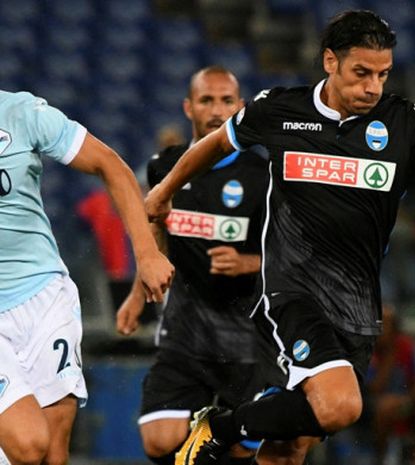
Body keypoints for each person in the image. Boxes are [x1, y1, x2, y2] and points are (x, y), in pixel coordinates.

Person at [145, 10, 415, 465]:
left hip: (358, 305)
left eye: (382, 74)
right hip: (292, 293)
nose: (373, 87)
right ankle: (220, 428)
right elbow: (218, 143)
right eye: (361, 73)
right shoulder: (282, 109)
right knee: (342, 406)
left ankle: (232, 427)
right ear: (329, 62)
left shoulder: (403, 122)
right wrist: (163, 192)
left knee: (290, 444)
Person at [0, 90, 174, 465]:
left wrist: (146, 254)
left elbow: (110, 165)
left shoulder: (21, 112)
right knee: (27, 445)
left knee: (53, 451)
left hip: (43, 295)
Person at [115, 65, 268, 465]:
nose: (217, 110)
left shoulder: (263, 174)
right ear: (188, 107)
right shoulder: (162, 167)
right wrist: (136, 295)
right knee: (158, 440)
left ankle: (216, 428)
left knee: (242, 447)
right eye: (206, 100)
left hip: (245, 332)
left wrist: (248, 261)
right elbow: (157, 237)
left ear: (241, 106)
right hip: (185, 325)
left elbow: (294, 251)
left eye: (226, 101)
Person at [365, 305, 415, 465]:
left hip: (404, 399)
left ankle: (413, 458)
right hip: (372, 404)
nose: (382, 329)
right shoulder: (368, 347)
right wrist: (390, 357)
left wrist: (408, 400)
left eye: (387, 324)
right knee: (386, 407)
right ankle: (380, 457)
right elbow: (374, 388)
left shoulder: (405, 345)